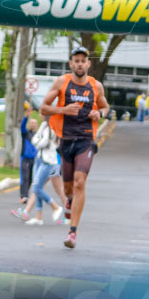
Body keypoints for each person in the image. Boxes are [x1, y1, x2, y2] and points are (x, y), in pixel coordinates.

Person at [40, 46, 109, 250]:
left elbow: (105, 107)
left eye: (83, 60)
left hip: (86, 140)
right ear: (71, 64)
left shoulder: (96, 86)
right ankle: (68, 202)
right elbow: (43, 108)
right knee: (69, 188)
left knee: (80, 183)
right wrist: (63, 109)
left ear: (88, 64)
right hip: (66, 139)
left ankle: (73, 232)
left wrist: (101, 114)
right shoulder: (62, 82)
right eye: (76, 60)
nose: (80, 64)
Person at [12, 119, 64, 225]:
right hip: (45, 160)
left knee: (55, 190)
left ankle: (61, 211)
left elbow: (43, 143)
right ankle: (35, 215)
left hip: (52, 163)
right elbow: (37, 140)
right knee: (37, 187)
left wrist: (38, 142)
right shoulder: (45, 125)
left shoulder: (54, 128)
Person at [18, 103, 36, 208]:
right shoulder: (25, 133)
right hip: (25, 158)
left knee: (30, 179)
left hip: (34, 160)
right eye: (31, 123)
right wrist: (27, 116)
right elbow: (22, 126)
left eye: (34, 123)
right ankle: (23, 196)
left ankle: (26, 194)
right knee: (24, 177)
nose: (33, 124)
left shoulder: (38, 135)